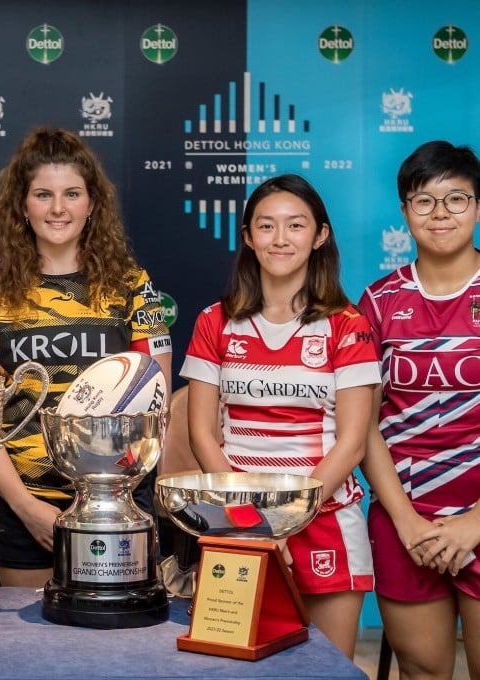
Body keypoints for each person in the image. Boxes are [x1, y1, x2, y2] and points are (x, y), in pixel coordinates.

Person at [180, 173, 379, 658]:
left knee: (328, 669)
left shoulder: (347, 325)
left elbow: (353, 442)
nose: (281, 238)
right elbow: (202, 434)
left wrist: (284, 523)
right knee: (233, 666)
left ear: (320, 236)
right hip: (237, 523)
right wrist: (254, 525)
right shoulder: (215, 320)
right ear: (248, 237)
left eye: (295, 225)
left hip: (327, 517)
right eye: (266, 226)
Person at [0, 127, 172, 588]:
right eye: (43, 194)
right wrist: (25, 506)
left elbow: (156, 405)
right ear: (22, 205)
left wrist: (113, 498)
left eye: (72, 194)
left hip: (116, 501)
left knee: (114, 646)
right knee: (35, 650)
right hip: (22, 501)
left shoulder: (131, 285)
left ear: (92, 203)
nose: (58, 209)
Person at [358, 141, 480, 679]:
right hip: (405, 520)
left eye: (457, 199)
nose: (441, 214)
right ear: (405, 212)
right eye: (424, 201)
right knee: (422, 671)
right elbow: (362, 424)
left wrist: (474, 524)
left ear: (478, 207)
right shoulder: (379, 301)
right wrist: (407, 524)